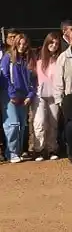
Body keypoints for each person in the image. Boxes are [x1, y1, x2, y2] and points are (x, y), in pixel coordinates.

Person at [0, 34, 37, 163]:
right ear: (15, 43)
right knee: (12, 124)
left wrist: (30, 95)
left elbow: (33, 79)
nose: (22, 46)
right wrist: (12, 95)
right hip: (9, 95)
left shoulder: (29, 58)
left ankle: (18, 151)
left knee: (22, 124)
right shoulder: (8, 58)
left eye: (24, 44)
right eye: (20, 43)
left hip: (24, 96)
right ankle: (11, 152)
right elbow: (4, 77)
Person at [33, 32, 61, 161]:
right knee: (40, 122)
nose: (54, 45)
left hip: (54, 95)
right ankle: (38, 149)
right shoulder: (37, 58)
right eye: (52, 42)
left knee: (53, 123)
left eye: (56, 43)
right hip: (39, 96)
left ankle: (51, 149)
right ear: (47, 42)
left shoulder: (59, 59)